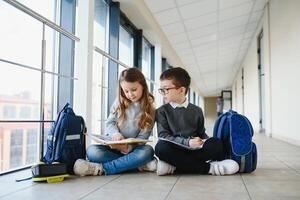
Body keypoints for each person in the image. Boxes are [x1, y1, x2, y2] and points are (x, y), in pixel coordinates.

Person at [155, 67, 239, 176]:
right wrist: (187, 142)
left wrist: (204, 141)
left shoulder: (197, 110)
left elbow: (201, 132)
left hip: (194, 149)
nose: (162, 93)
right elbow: (163, 135)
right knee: (160, 148)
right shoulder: (161, 111)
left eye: (166, 89)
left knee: (216, 143)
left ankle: (175, 166)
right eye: (161, 89)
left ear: (181, 90)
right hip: (174, 149)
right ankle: (209, 168)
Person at [73, 68, 157, 176]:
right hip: (113, 147)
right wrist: (115, 134)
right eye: (126, 91)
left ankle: (101, 169)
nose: (130, 94)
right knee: (92, 151)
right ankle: (138, 165)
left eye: (134, 89)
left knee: (147, 151)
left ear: (143, 86)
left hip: (133, 150)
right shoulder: (119, 102)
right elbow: (110, 123)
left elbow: (142, 139)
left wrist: (126, 148)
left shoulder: (150, 110)